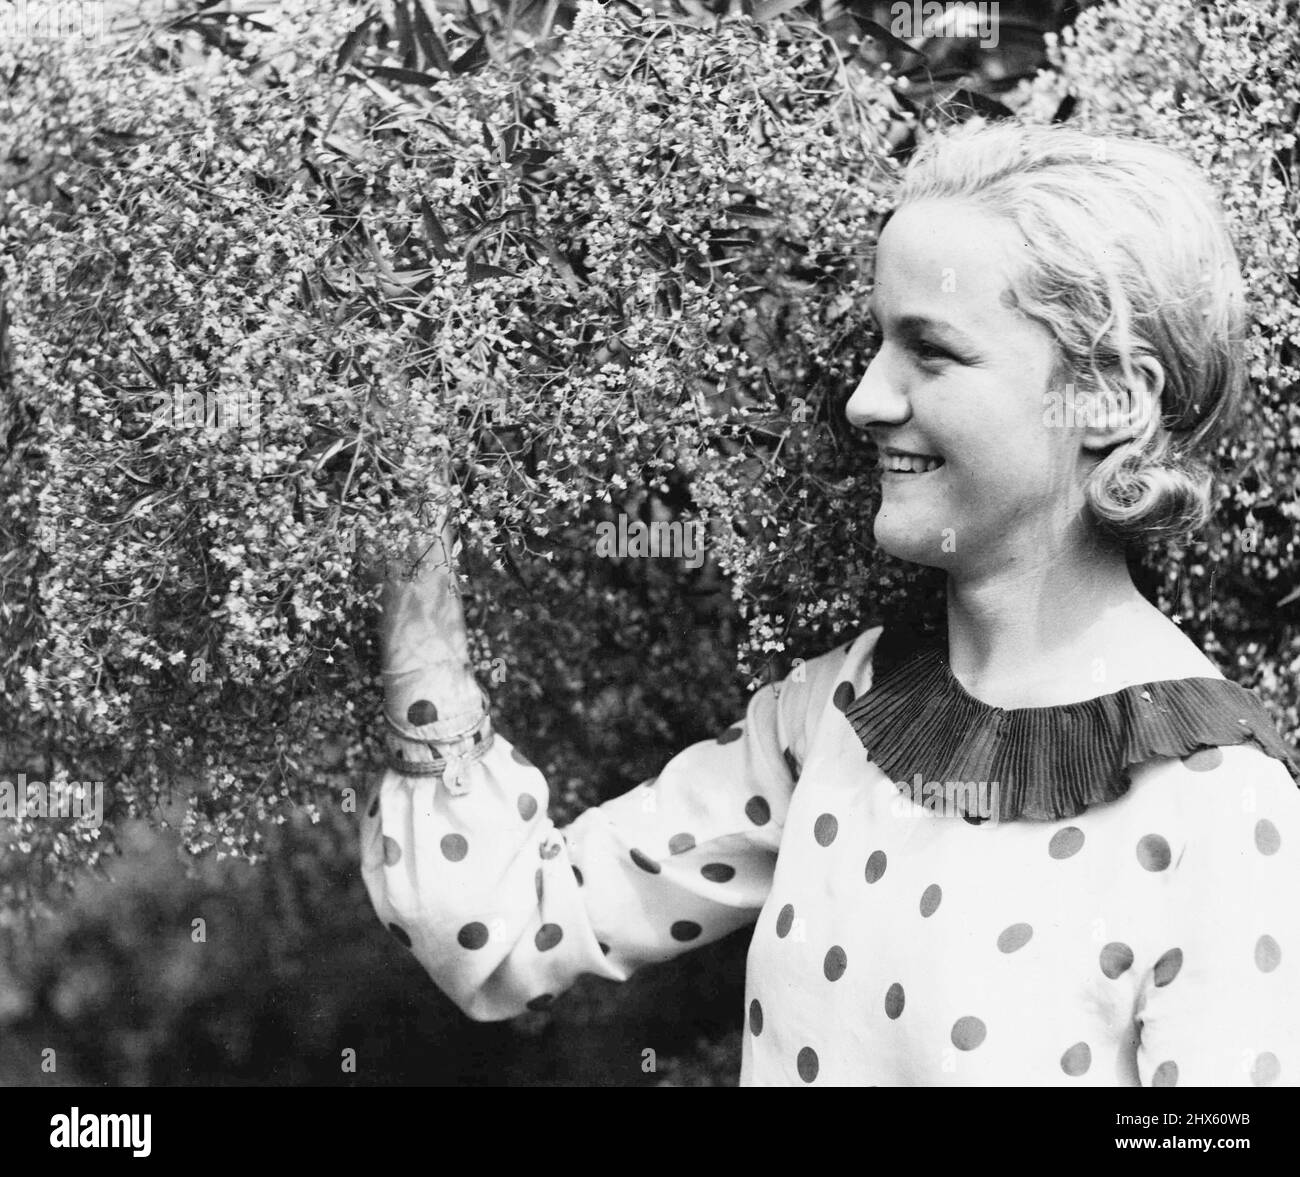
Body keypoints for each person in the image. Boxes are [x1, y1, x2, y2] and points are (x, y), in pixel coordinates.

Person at [360, 119, 1300, 1086]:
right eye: (875, 343)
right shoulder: (842, 711)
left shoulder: (1216, 802)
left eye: (930, 352)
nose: (864, 399)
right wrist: (413, 580)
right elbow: (509, 929)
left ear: (1107, 398)